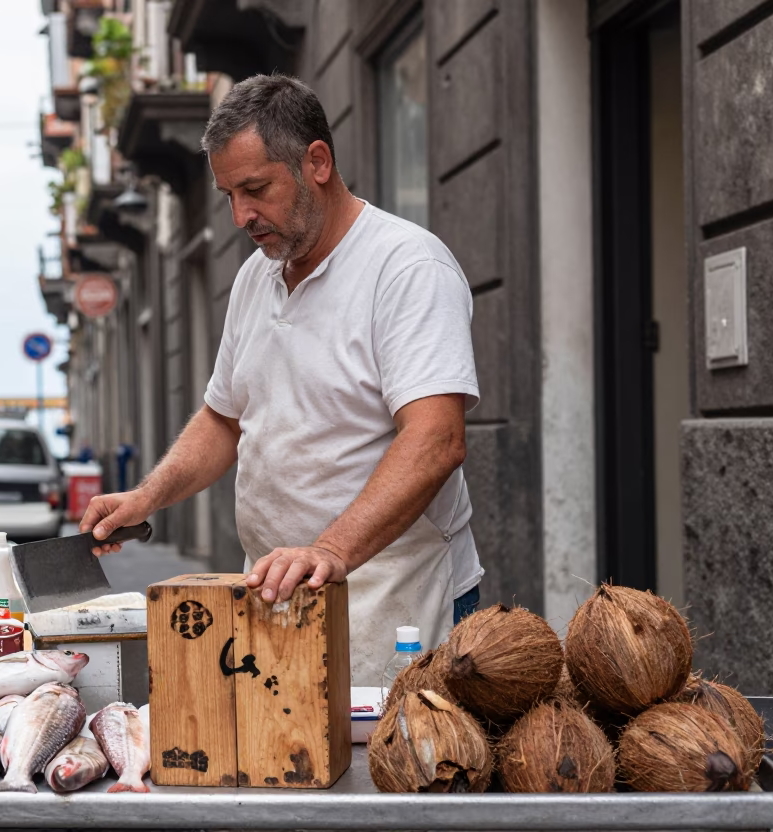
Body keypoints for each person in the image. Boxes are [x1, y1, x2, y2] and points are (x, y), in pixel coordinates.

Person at [80, 74, 482, 686]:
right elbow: (223, 419)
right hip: (275, 594)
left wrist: (330, 551)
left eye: (256, 189)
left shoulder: (407, 267)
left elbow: (435, 441)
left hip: (397, 596)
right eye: (229, 195)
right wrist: (146, 496)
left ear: (316, 161)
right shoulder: (253, 279)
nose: (242, 215)